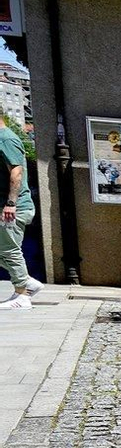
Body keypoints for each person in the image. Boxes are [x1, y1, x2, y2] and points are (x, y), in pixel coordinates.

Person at [0, 120, 39, 310]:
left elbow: (16, 172)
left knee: (10, 250)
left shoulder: (6, 139)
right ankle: (27, 282)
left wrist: (11, 203)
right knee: (5, 249)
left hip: (14, 207)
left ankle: (22, 296)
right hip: (8, 206)